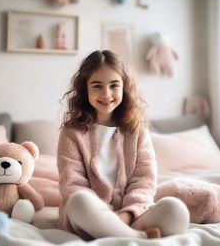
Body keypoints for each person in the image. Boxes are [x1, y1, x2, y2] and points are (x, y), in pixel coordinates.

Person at [57, 50, 190, 240]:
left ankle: (122, 234)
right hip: (88, 217)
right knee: (79, 200)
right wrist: (107, 216)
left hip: (133, 216)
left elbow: (144, 181)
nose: (106, 94)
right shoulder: (71, 133)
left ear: (124, 87)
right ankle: (141, 240)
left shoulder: (137, 131)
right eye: (97, 86)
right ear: (85, 88)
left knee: (176, 210)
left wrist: (126, 215)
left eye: (114, 85)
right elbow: (72, 185)